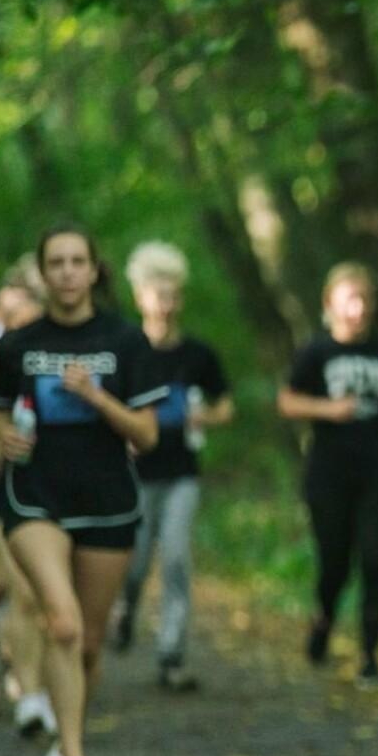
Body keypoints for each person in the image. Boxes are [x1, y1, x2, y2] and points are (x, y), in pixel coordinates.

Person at [0, 225, 165, 756]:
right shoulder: (17, 346)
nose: (65, 272)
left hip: (108, 499)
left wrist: (96, 397)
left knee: (85, 642)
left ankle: (66, 743)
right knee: (59, 623)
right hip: (34, 497)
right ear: (43, 273)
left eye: (76, 261)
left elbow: (146, 434)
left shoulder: (125, 340)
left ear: (92, 271)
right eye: (54, 262)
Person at [111, 241, 233, 692]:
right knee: (136, 563)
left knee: (177, 558)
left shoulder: (197, 355)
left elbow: (226, 407)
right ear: (140, 296)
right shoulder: (124, 350)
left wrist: (204, 416)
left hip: (182, 472)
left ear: (180, 298)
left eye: (171, 293)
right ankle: (123, 609)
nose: (164, 302)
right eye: (155, 292)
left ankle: (171, 655)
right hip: (135, 474)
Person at [277, 262, 378, 687]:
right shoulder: (317, 351)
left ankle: (369, 656)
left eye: (365, 298)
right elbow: (288, 402)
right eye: (350, 298)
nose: (359, 307)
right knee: (335, 564)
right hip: (328, 472)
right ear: (330, 304)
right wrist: (328, 409)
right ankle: (325, 619)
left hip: (376, 471)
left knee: (373, 559)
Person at [0, 266, 55, 733]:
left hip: (62, 493)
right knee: (8, 592)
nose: (11, 326)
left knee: (43, 598)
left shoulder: (60, 364)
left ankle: (41, 684)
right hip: (4, 496)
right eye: (4, 316)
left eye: (21, 316)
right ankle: (29, 692)